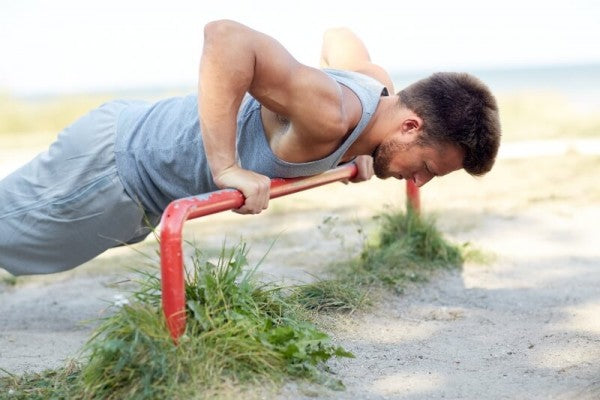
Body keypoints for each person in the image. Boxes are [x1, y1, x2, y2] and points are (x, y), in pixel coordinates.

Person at [0, 20, 501, 276]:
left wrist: (363, 150)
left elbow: (338, 36)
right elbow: (225, 38)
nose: (418, 182)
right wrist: (227, 167)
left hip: (130, 161)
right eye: (429, 169)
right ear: (412, 126)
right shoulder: (331, 112)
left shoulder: (378, 90)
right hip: (110, 172)